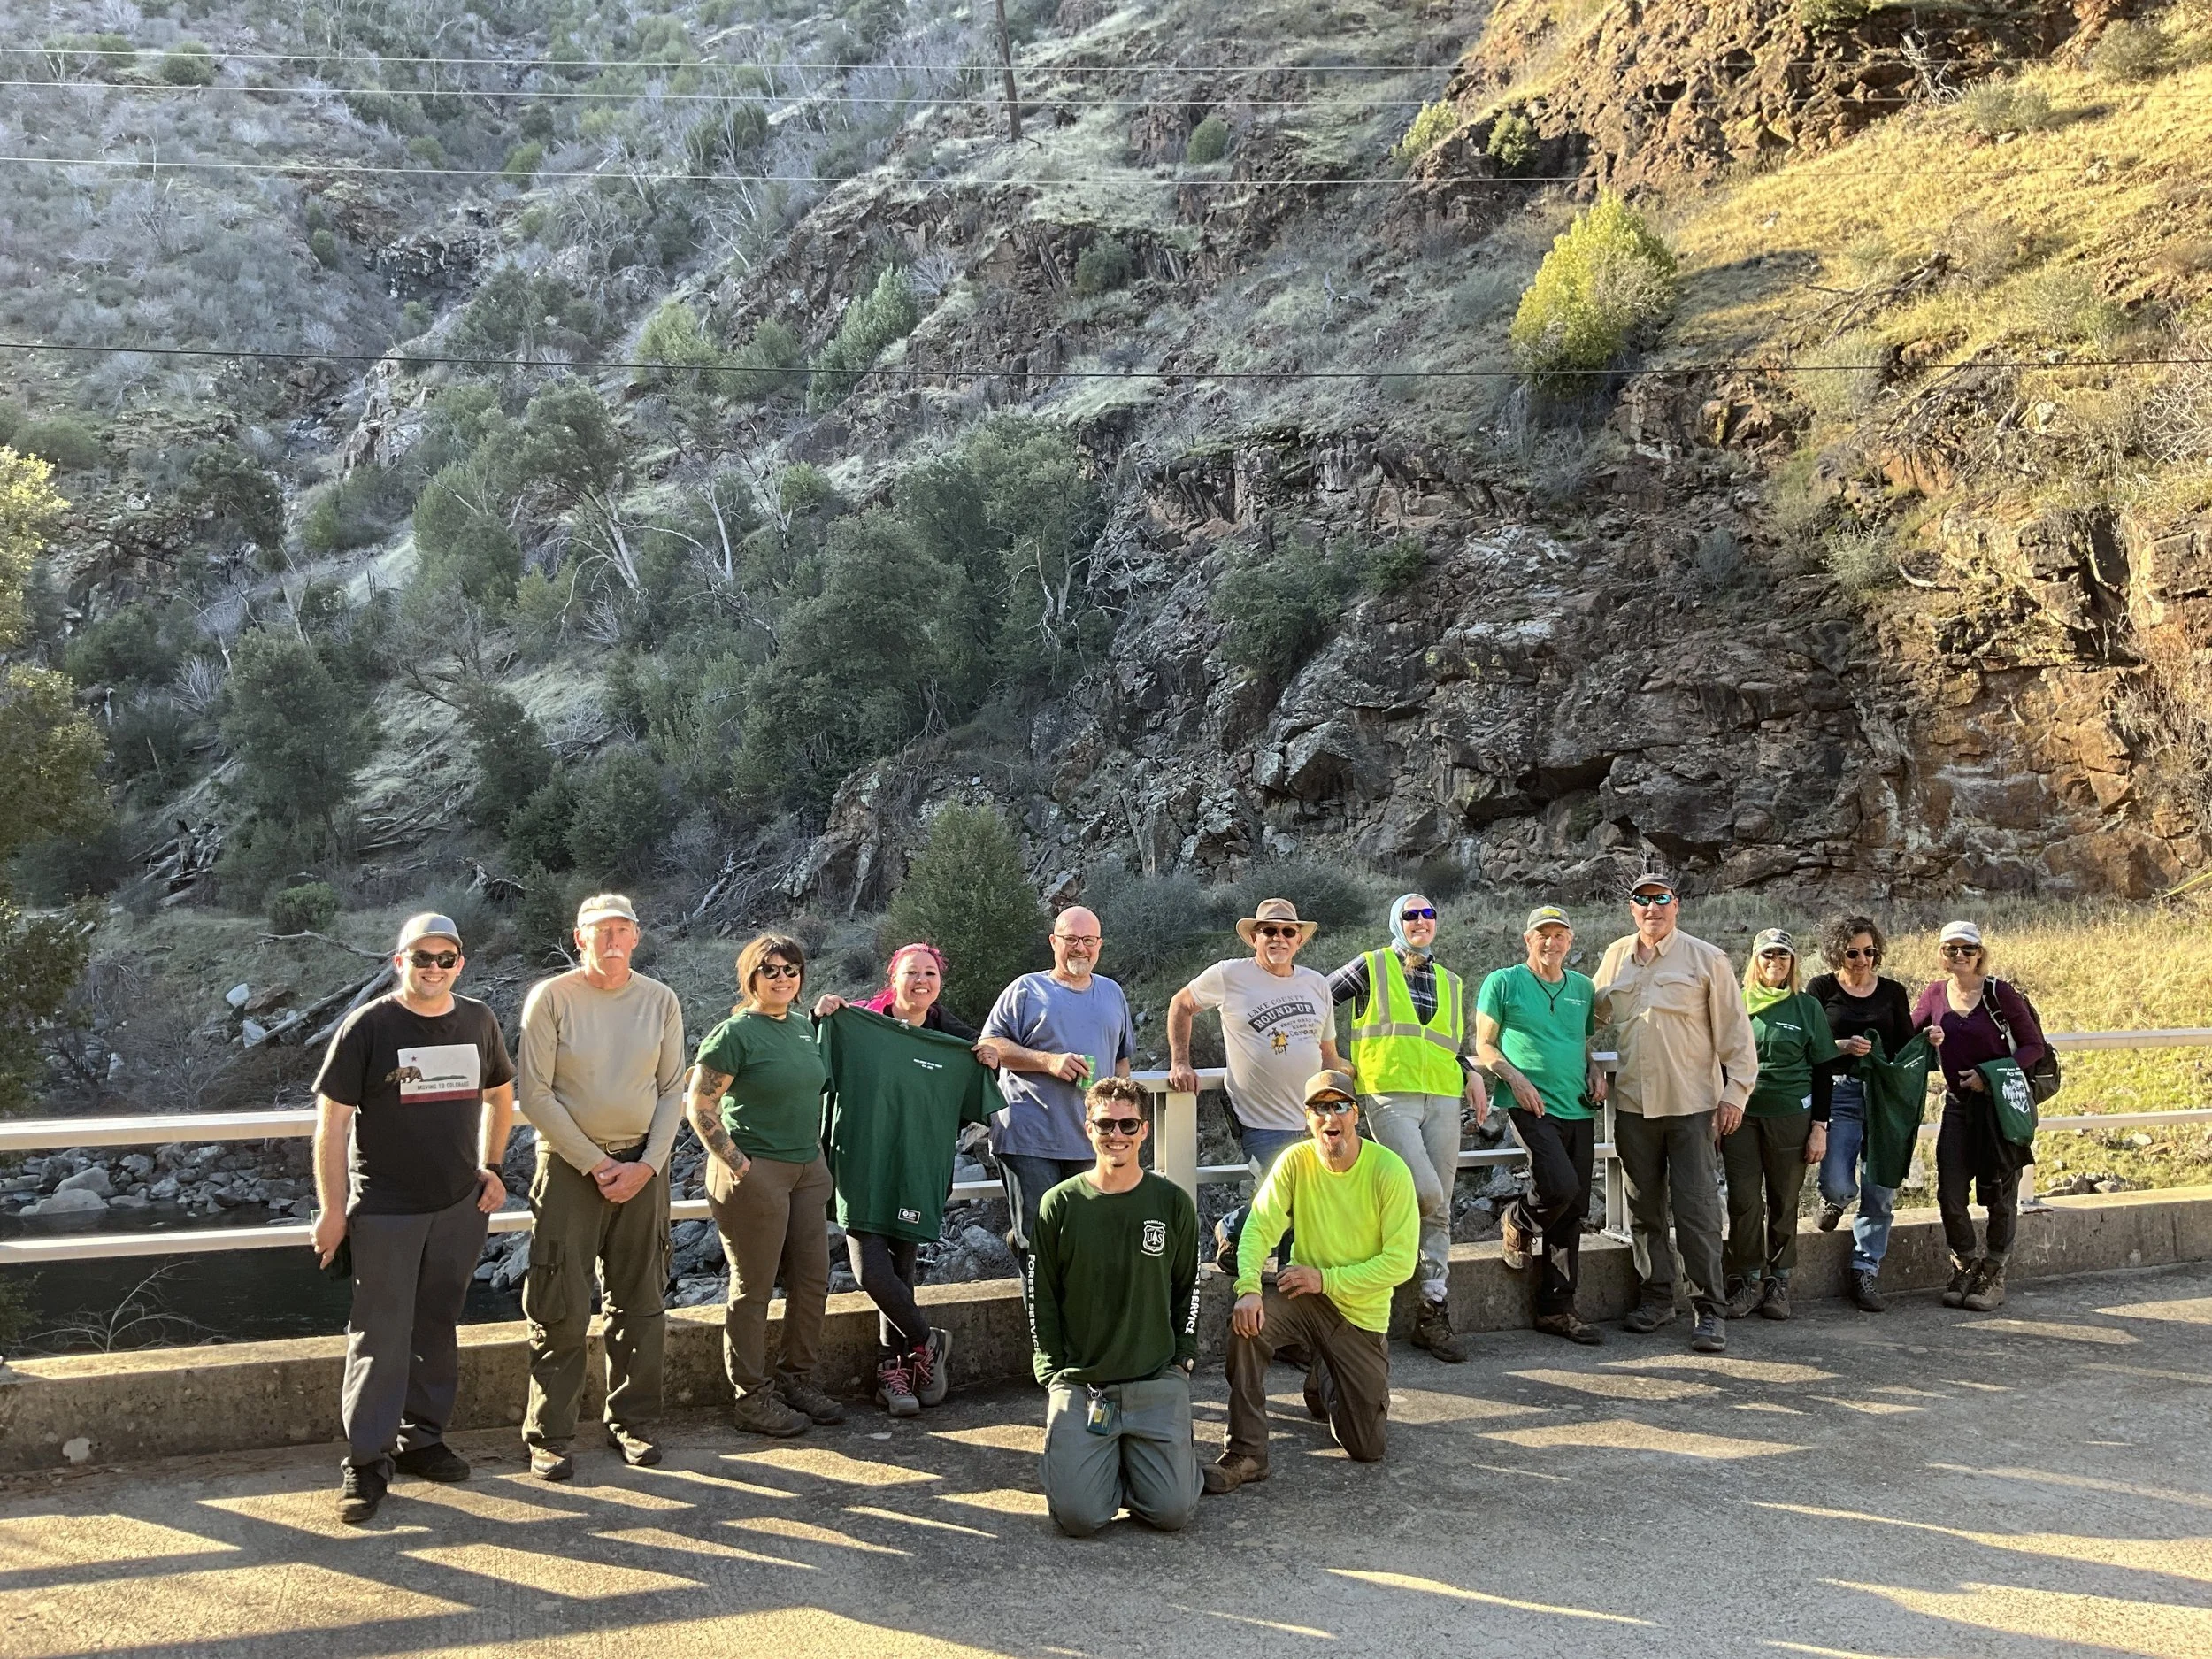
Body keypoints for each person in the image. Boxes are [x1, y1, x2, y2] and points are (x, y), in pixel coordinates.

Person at [310, 912, 515, 1525]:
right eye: (420, 957)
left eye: (444, 958)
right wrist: (331, 1209)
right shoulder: (368, 1026)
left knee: (436, 1327)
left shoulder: (478, 1019)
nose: (433, 968)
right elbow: (332, 1125)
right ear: (398, 961)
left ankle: (422, 1439)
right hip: (386, 1211)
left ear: (461, 962)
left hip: (458, 1205)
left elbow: (501, 1095)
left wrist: (494, 1164)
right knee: (379, 1336)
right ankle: (366, 1461)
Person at [513, 893, 687, 1480]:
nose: (612, 939)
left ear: (636, 937)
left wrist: (647, 1165)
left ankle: (632, 1423)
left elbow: (671, 1091)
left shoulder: (660, 1000)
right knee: (559, 1301)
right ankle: (549, 1434)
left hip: (643, 1167)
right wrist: (593, 1163)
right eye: (599, 930)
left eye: (621, 929)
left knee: (641, 1301)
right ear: (579, 936)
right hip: (568, 1168)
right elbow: (534, 1093)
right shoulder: (552, 998)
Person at [1206, 1071, 1419, 1496]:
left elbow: (1401, 1264)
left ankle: (1326, 1374)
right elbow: (1260, 1227)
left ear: (1355, 1114)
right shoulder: (1295, 1161)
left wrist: (1326, 1279)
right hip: (1303, 1300)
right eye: (1319, 1108)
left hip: (1358, 1315)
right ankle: (1247, 1452)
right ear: (1308, 1118)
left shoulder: (1389, 1171)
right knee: (1249, 1325)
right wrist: (1248, 1286)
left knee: (1367, 1447)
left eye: (1339, 1105)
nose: (1329, 1116)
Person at [815, 943, 1001, 1417]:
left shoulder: (950, 1038)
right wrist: (823, 1015)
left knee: (901, 1274)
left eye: (931, 974)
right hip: (862, 1164)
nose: (921, 981)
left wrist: (988, 1054)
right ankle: (927, 1340)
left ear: (939, 984)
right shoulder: (857, 1024)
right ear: (892, 978)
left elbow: (980, 1075)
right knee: (870, 1271)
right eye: (912, 972)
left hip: (918, 1167)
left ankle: (893, 1375)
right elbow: (815, 1058)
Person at [685, 933, 844, 1438]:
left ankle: (795, 1380)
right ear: (751, 977)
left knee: (812, 1281)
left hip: (806, 1170)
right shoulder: (734, 1034)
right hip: (756, 1171)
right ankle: (751, 1398)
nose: (782, 978)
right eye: (770, 970)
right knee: (753, 1289)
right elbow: (700, 1107)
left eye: (791, 969)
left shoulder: (801, 1027)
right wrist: (739, 1164)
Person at [1592, 870, 1757, 1355]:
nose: (1652, 909)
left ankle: (1710, 1311)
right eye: (1642, 901)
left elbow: (1737, 1037)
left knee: (1697, 1211)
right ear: (1631, 909)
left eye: (1661, 899)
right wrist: (1585, 1063)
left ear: (1676, 904)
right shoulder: (1616, 956)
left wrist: (1735, 1096)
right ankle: (1657, 1298)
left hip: (1692, 1108)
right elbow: (1586, 1014)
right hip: (1633, 1108)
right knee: (1643, 1211)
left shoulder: (1707, 959)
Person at [1029, 1078, 1202, 1538]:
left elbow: (1188, 1285)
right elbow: (1040, 1295)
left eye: (1129, 1124)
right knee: (1080, 1519)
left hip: (1154, 1379)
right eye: (1106, 1124)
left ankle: (1151, 1466)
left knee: (1172, 1514)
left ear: (1145, 1130)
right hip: (1084, 1385)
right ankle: (1103, 1465)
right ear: (1089, 1128)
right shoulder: (1059, 1205)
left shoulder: (1171, 1203)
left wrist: (1183, 1356)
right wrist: (1052, 1372)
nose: (1117, 1134)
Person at [1327, 892, 1488, 1363]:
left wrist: (1471, 1071)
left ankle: (1432, 1310)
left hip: (1441, 1097)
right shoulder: (1371, 965)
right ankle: (1367, 1280)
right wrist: (1330, 1057)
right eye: (1410, 915)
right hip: (1388, 1096)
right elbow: (1313, 996)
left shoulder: (1451, 982)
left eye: (1428, 914)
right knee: (1425, 1193)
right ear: (1396, 922)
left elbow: (1444, 1045)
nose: (1421, 921)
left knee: (1439, 1208)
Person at [1165, 897, 1342, 1272]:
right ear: (1254, 937)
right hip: (1259, 1118)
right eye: (1269, 931)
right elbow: (1181, 1004)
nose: (1279, 938)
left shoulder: (1316, 984)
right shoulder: (1230, 975)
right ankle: (1237, 1232)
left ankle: (1286, 1272)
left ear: (1299, 939)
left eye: (1287, 931)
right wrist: (1181, 1061)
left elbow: (1328, 1053)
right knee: (1287, 1195)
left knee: (1308, 1197)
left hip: (1313, 1116)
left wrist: (1340, 1098)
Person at [981, 907, 1137, 1295]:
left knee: (1087, 1240)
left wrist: (1123, 1115)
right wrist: (1047, 1061)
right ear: (1054, 942)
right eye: (1071, 939)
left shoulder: (1112, 992)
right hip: (1029, 1135)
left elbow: (1121, 1059)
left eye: (1088, 940)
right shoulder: (1025, 990)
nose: (1079, 948)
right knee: (1038, 1244)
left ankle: (1081, 1336)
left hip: (1091, 1139)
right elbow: (989, 1045)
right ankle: (1046, 1345)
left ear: (1099, 945)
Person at [1475, 905, 1608, 1345]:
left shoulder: (1582, 988)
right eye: (1542, 935)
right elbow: (1485, 1045)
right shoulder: (1504, 982)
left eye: (1559, 935)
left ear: (1570, 941)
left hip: (1577, 1105)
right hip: (1528, 1105)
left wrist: (1593, 1069)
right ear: (1527, 941)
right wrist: (1515, 1078)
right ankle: (1518, 1219)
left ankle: (1557, 1309)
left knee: (1573, 1210)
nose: (1551, 943)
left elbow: (1580, 1041)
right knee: (1559, 1187)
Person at [1913, 920, 2045, 1314]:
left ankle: (1994, 1271)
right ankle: (1964, 1264)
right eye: (1951, 949)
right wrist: (1926, 1038)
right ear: (1941, 954)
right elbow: (1907, 1035)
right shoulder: (1935, 995)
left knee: (2001, 1195)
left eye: (1967, 950)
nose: (1959, 956)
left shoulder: (1999, 994)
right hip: (1957, 1107)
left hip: (1999, 1108)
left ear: (1980, 954)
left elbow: (2033, 1047)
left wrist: (1988, 1077)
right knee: (1951, 1192)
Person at [1722, 930, 1839, 1324]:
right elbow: (1716, 1061)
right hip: (1740, 1115)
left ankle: (1779, 1281)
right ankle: (1745, 1279)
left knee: (1784, 1200)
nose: (1775, 962)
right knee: (1743, 1200)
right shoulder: (1734, 1004)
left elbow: (1824, 1069)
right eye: (1768, 955)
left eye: (1783, 956)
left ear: (1793, 963)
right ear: (1755, 960)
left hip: (1791, 1116)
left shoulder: (1806, 1007)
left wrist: (1820, 1126)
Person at [1805, 915, 1917, 1312]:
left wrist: (1930, 1040)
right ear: (1837, 952)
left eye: (1870, 952)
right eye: (1853, 953)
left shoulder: (1892, 992)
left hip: (1883, 1096)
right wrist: (1841, 1046)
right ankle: (1834, 1201)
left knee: (1881, 1189)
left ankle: (1865, 1267)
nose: (1862, 960)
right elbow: (1810, 1044)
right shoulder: (1820, 989)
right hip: (1840, 1094)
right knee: (1839, 1181)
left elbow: (1906, 1046)